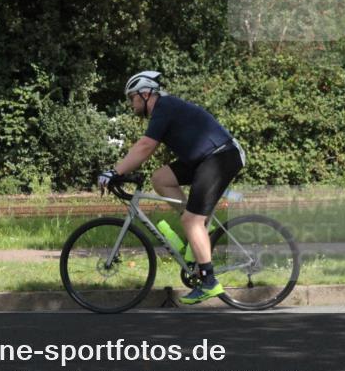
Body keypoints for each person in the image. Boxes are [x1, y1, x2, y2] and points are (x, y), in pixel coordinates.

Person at [98, 71, 246, 305]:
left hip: (221, 157)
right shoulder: (163, 109)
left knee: (191, 220)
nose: (131, 104)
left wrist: (115, 172)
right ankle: (197, 230)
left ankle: (209, 282)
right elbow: (145, 149)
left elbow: (145, 146)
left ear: (145, 94)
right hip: (203, 159)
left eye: (132, 98)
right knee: (160, 179)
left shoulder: (163, 108)